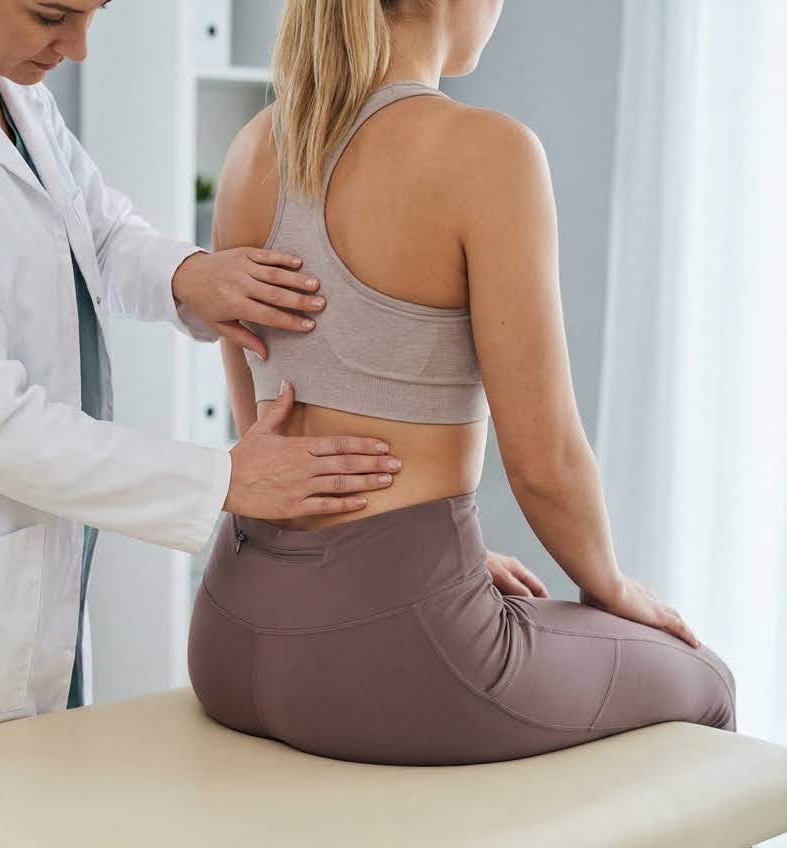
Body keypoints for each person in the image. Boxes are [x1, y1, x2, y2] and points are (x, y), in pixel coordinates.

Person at [0, 0, 406, 777]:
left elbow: (98, 230)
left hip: (31, 581)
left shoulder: (9, 91)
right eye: (53, 15)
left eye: (93, 14)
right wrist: (225, 479)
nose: (78, 48)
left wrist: (190, 275)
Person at [187, 0, 737, 765]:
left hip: (228, 633)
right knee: (704, 680)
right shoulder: (487, 153)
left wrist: (432, 557)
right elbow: (545, 462)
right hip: (390, 655)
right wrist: (613, 586)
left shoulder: (254, 145)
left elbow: (262, 432)